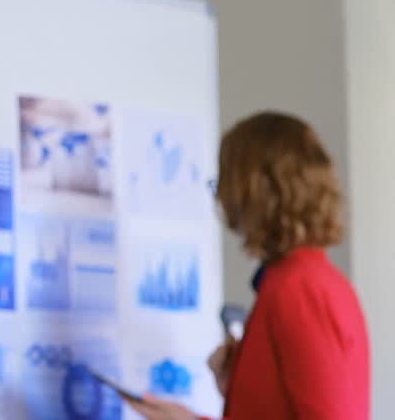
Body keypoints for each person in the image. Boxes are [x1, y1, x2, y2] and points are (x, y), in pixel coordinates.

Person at [128, 112, 369, 420]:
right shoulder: (299, 282)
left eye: (224, 182)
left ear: (252, 189)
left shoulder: (299, 290)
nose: (221, 199)